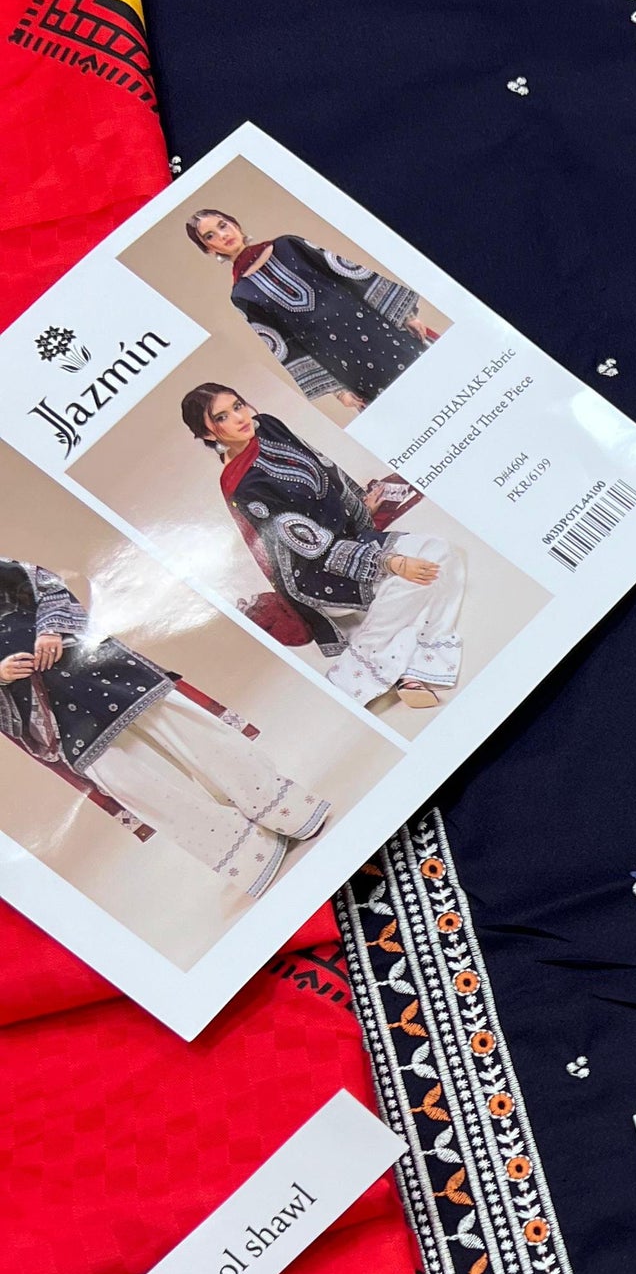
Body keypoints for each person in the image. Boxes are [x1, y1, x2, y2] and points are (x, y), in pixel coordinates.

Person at [0, 558, 327, 900]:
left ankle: (284, 808)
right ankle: (247, 855)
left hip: (94, 666)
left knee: (194, 736)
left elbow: (42, 583)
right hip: (43, 713)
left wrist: (50, 630)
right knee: (136, 784)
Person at [181, 383, 465, 713]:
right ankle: (356, 676)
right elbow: (311, 547)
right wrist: (391, 563)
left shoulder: (267, 426)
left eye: (238, 405)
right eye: (222, 417)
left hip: (350, 539)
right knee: (416, 580)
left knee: (441, 552)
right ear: (207, 433)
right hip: (316, 571)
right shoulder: (244, 486)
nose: (240, 417)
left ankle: (407, 671)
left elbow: (325, 467)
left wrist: (359, 504)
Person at [183, 208, 438, 411]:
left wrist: (406, 316)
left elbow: (349, 273)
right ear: (208, 249)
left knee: (434, 379)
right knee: (404, 409)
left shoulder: (289, 245)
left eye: (223, 225)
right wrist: (338, 391)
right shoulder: (241, 294)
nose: (222, 235)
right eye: (210, 236)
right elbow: (283, 345)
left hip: (378, 329)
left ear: (235, 224)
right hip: (343, 361)